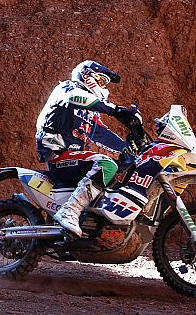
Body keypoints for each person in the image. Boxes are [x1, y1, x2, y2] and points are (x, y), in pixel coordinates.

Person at [35, 60, 141, 237]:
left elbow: (100, 133)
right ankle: (70, 211)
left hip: (72, 158)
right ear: (86, 76)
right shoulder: (68, 89)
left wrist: (127, 148)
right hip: (57, 155)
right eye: (101, 80)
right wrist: (116, 110)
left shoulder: (88, 111)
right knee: (107, 165)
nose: (104, 87)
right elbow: (77, 98)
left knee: (119, 170)